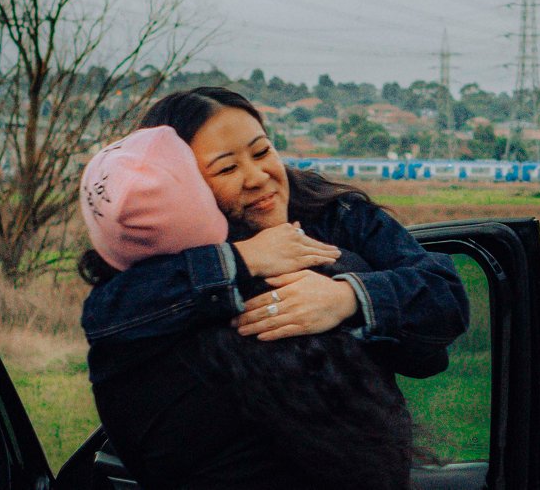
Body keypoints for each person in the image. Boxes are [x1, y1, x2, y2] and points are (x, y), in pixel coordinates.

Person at [77, 87, 470, 489]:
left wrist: (347, 297)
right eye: (226, 169)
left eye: (262, 152)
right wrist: (245, 260)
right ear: (182, 188)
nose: (256, 177)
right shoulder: (169, 267)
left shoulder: (335, 214)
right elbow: (109, 314)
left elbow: (444, 297)